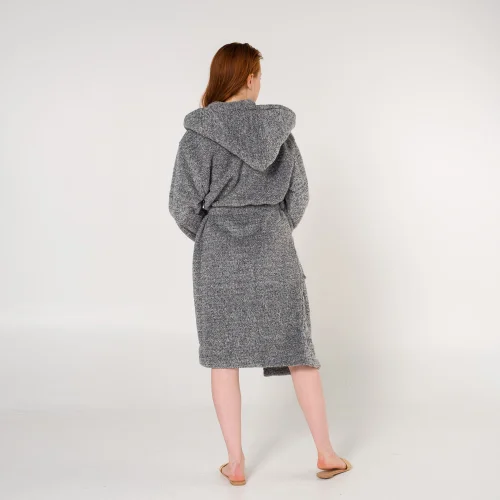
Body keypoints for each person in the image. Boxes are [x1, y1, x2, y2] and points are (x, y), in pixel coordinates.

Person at [168, 42, 352, 484]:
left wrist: (212, 235)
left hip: (219, 258)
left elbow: (181, 205)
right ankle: (326, 453)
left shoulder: (197, 137)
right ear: (249, 77)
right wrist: (274, 229)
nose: (260, 83)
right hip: (274, 250)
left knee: (223, 357)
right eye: (259, 76)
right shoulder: (279, 133)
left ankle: (235, 463)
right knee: (298, 350)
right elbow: (299, 196)